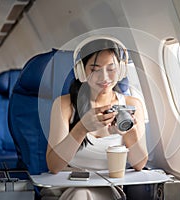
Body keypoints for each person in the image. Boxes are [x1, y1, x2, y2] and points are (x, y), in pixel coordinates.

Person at [44, 37, 148, 200]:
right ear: (81, 71)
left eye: (111, 69)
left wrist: (128, 132)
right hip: (68, 186)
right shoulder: (64, 105)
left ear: (120, 70)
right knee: (81, 194)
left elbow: (139, 164)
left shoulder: (132, 104)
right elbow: (54, 166)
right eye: (95, 69)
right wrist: (82, 128)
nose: (104, 77)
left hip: (108, 188)